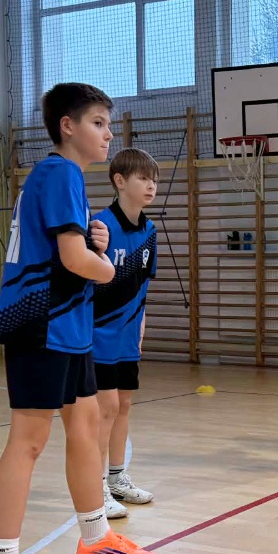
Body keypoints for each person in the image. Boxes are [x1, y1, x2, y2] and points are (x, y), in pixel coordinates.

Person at [0, 83, 157, 554]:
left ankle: (95, 537)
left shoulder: (69, 181)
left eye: (109, 124)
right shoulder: (58, 172)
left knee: (85, 426)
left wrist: (92, 244)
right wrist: (104, 264)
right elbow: (75, 260)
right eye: (99, 123)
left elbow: (73, 250)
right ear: (68, 126)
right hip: (40, 324)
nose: (108, 133)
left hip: (72, 327)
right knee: (28, 442)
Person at [93, 148, 160, 520]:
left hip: (129, 337)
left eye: (154, 180)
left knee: (124, 406)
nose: (151, 186)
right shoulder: (100, 227)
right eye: (143, 178)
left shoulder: (149, 231)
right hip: (99, 335)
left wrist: (141, 329)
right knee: (105, 410)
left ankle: (117, 478)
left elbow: (143, 287)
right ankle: (96, 486)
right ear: (119, 181)